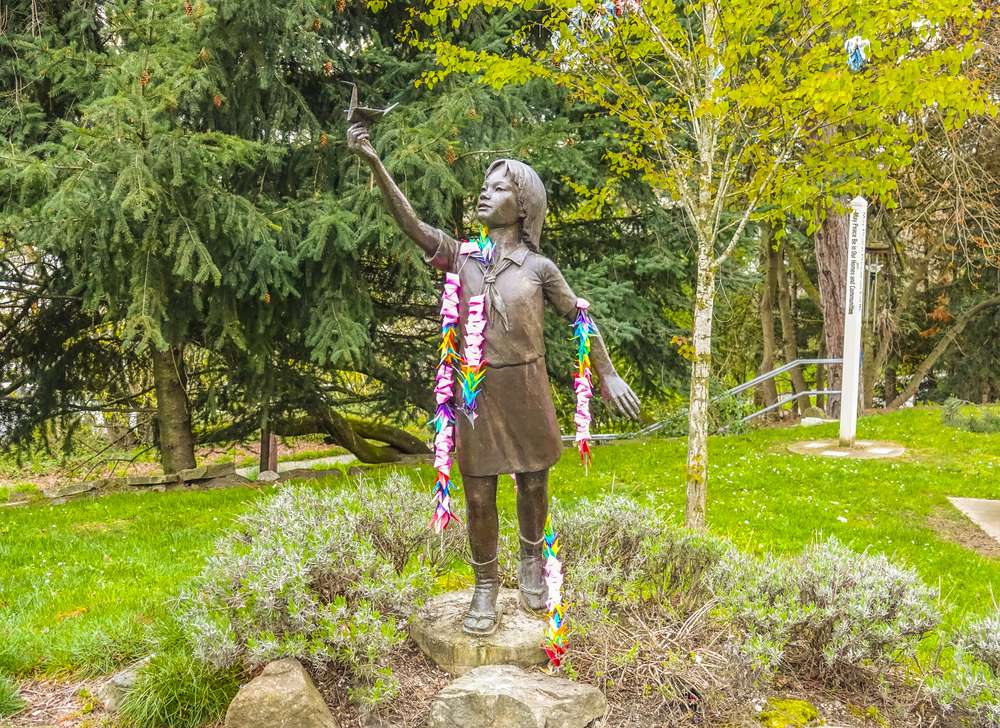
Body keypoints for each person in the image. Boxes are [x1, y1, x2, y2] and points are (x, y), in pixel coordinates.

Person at [347, 121, 641, 635]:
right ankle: (484, 584)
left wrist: (608, 373)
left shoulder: (540, 268)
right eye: (485, 185)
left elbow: (579, 319)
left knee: (533, 482)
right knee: (478, 493)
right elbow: (412, 224)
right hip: (475, 395)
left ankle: (532, 561)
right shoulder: (462, 257)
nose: (486, 192)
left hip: (526, 390)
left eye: (500, 186)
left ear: (523, 205)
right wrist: (375, 162)